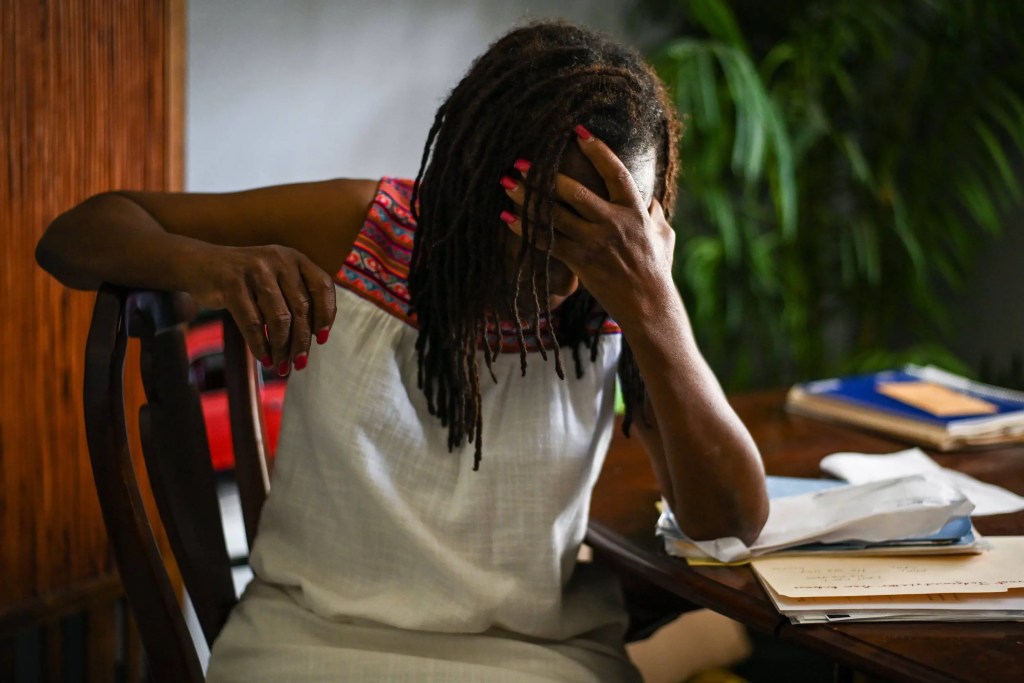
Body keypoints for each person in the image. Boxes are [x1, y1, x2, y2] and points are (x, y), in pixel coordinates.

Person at [37, 20, 768, 683]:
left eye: (606, 237)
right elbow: (75, 235)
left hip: (537, 659)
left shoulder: (621, 299)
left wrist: (656, 305)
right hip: (311, 644)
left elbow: (731, 523)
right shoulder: (362, 231)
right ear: (479, 184)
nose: (571, 271)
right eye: (548, 228)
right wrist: (207, 267)